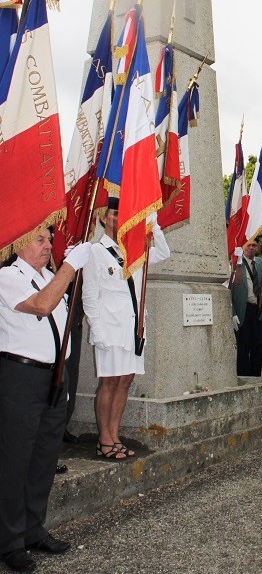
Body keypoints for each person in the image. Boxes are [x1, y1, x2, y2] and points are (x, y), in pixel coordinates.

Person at [0, 229, 91, 572]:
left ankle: (32, 529)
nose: (48, 246)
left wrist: (67, 269)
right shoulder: (7, 277)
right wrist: (70, 266)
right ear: (16, 243)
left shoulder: (51, 276)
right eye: (39, 239)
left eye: (48, 240)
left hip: (55, 376)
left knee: (44, 457)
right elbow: (41, 304)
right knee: (14, 461)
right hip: (20, 378)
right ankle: (8, 541)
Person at [82, 199, 170, 461]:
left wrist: (153, 224)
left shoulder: (135, 248)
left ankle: (114, 435)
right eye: (114, 214)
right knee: (109, 382)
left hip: (134, 328)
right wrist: (96, 329)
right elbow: (90, 295)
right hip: (110, 329)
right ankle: (104, 440)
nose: (118, 218)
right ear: (103, 218)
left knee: (125, 381)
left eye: (122, 214)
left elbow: (164, 253)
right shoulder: (96, 252)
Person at [231, 240, 262, 376]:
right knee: (243, 348)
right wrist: (232, 312)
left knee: (258, 348)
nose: (251, 248)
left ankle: (256, 380)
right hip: (242, 310)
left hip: (258, 310)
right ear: (243, 247)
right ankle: (243, 379)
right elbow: (228, 290)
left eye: (254, 245)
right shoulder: (235, 262)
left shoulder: (259, 263)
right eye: (249, 245)